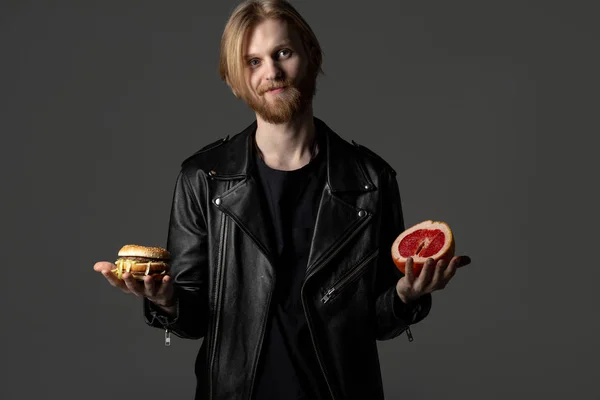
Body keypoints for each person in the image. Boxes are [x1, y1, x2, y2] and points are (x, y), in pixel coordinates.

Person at [93, 1, 471, 399]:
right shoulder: (202, 179)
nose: (271, 72)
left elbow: (376, 321)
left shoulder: (370, 179)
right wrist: (165, 301)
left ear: (312, 54)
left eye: (283, 53)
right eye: (252, 62)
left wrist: (407, 295)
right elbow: (194, 319)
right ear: (234, 79)